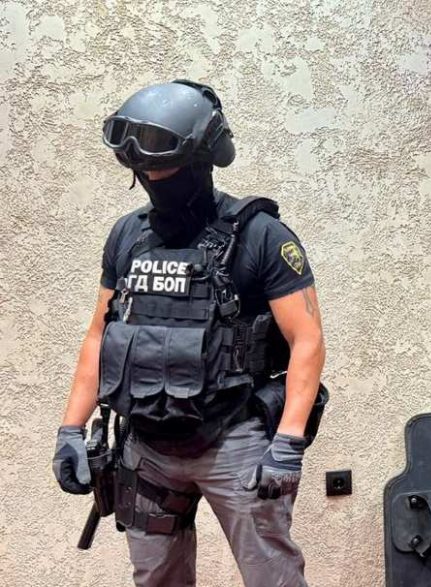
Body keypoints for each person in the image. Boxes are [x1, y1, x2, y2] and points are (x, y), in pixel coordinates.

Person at [51, 80, 325, 586]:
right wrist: (71, 428)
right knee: (156, 578)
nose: (153, 178)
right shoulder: (128, 236)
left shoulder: (260, 234)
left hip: (235, 439)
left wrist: (287, 441)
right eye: (144, 171)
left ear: (203, 158)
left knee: (274, 578)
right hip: (149, 447)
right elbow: (99, 335)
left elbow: (306, 338)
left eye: (164, 167)